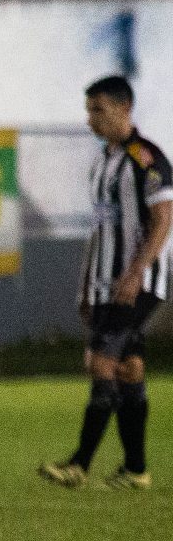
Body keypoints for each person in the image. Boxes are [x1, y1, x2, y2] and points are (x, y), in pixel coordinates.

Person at [40, 75, 171, 489]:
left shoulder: (146, 159)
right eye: (88, 111)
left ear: (124, 108)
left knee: (100, 362)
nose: (91, 119)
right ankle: (135, 470)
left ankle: (79, 464)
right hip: (105, 282)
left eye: (98, 110)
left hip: (138, 282)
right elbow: (99, 229)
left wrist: (136, 271)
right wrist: (85, 285)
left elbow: (163, 218)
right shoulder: (102, 163)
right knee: (129, 368)